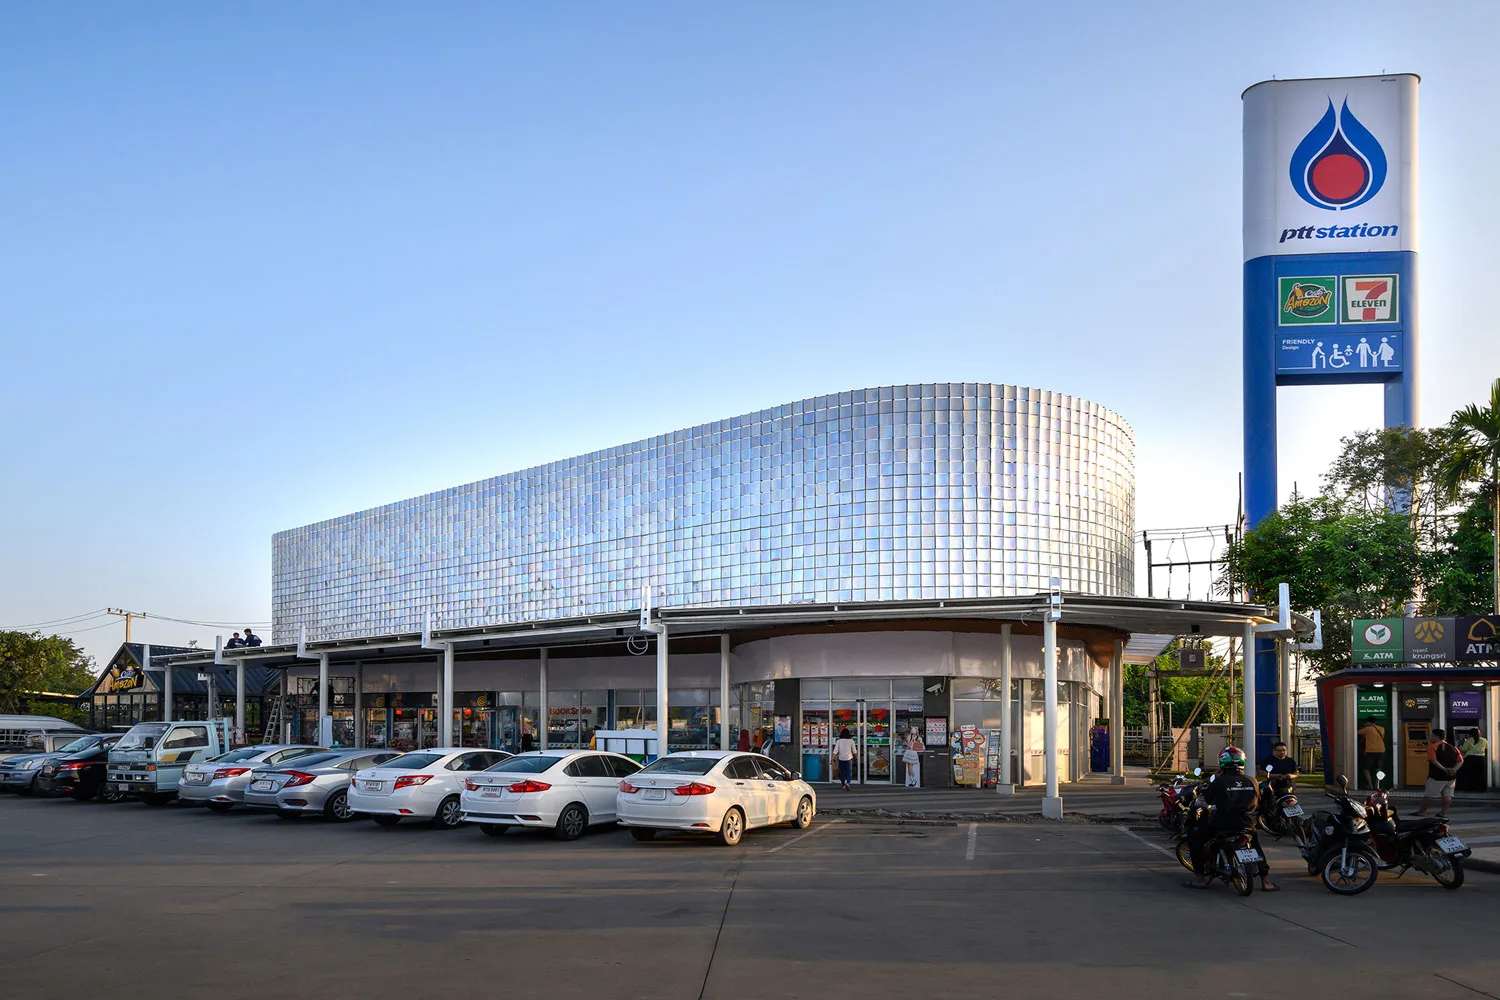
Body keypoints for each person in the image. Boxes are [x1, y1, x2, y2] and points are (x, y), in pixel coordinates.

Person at [1186, 746, 1277, 891]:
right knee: (1255, 845)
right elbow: (1259, 801)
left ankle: (1200, 878)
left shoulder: (1219, 782)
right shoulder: (1252, 781)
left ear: (1222, 762)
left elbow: (1206, 800)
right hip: (1247, 823)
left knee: (1195, 838)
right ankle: (1265, 881)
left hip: (1223, 823)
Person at [1419, 728, 1464, 818]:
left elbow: (1433, 761)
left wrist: (1444, 769)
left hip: (1437, 776)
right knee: (1448, 795)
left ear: (1437, 737)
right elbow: (1460, 761)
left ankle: (1422, 812)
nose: (1430, 737)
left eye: (1431, 735)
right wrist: (1454, 769)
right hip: (1451, 777)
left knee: (1429, 795)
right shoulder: (1453, 747)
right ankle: (1443, 813)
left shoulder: (1432, 746)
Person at [1358, 718, 1386, 790]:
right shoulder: (1381, 728)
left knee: (1365, 768)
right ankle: (1377, 786)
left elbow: (1357, 732)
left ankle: (1370, 785)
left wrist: (1364, 728)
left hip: (1371, 751)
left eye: (1366, 722)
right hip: (1381, 751)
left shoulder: (1367, 729)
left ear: (1369, 722)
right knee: (1379, 769)